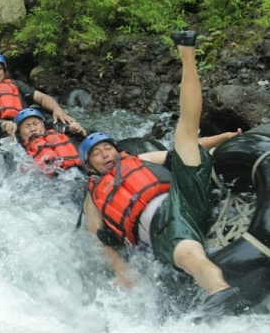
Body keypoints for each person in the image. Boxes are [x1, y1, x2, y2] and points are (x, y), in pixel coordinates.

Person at [80, 30, 245, 316]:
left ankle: (187, 55)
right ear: (89, 165)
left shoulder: (138, 158)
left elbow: (181, 151)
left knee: (185, 132)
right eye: (97, 153)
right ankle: (219, 290)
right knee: (184, 252)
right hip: (161, 223)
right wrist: (122, 269)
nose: (105, 154)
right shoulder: (93, 197)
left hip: (185, 195)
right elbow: (98, 238)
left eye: (108, 148)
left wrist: (223, 138)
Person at [8, 108, 88, 177]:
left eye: (36, 124)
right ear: (20, 132)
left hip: (81, 171)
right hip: (55, 181)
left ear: (43, 125)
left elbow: (86, 140)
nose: (33, 128)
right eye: (27, 126)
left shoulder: (62, 133)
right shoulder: (19, 150)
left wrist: (81, 132)